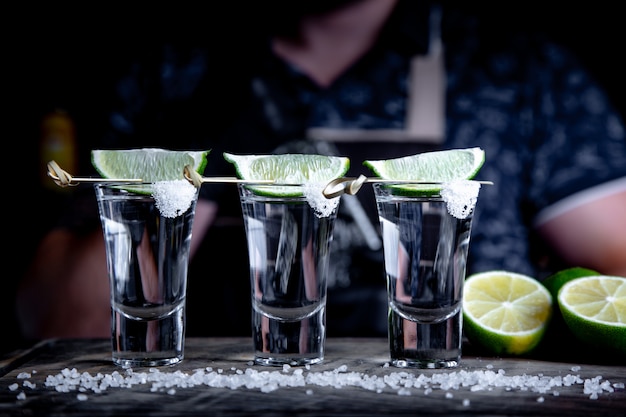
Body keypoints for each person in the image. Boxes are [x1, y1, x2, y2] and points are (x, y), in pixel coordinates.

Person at [17, 0, 626, 343]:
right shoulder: (167, 71)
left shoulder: (514, 66)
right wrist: (196, 139)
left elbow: (613, 281)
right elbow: (68, 320)